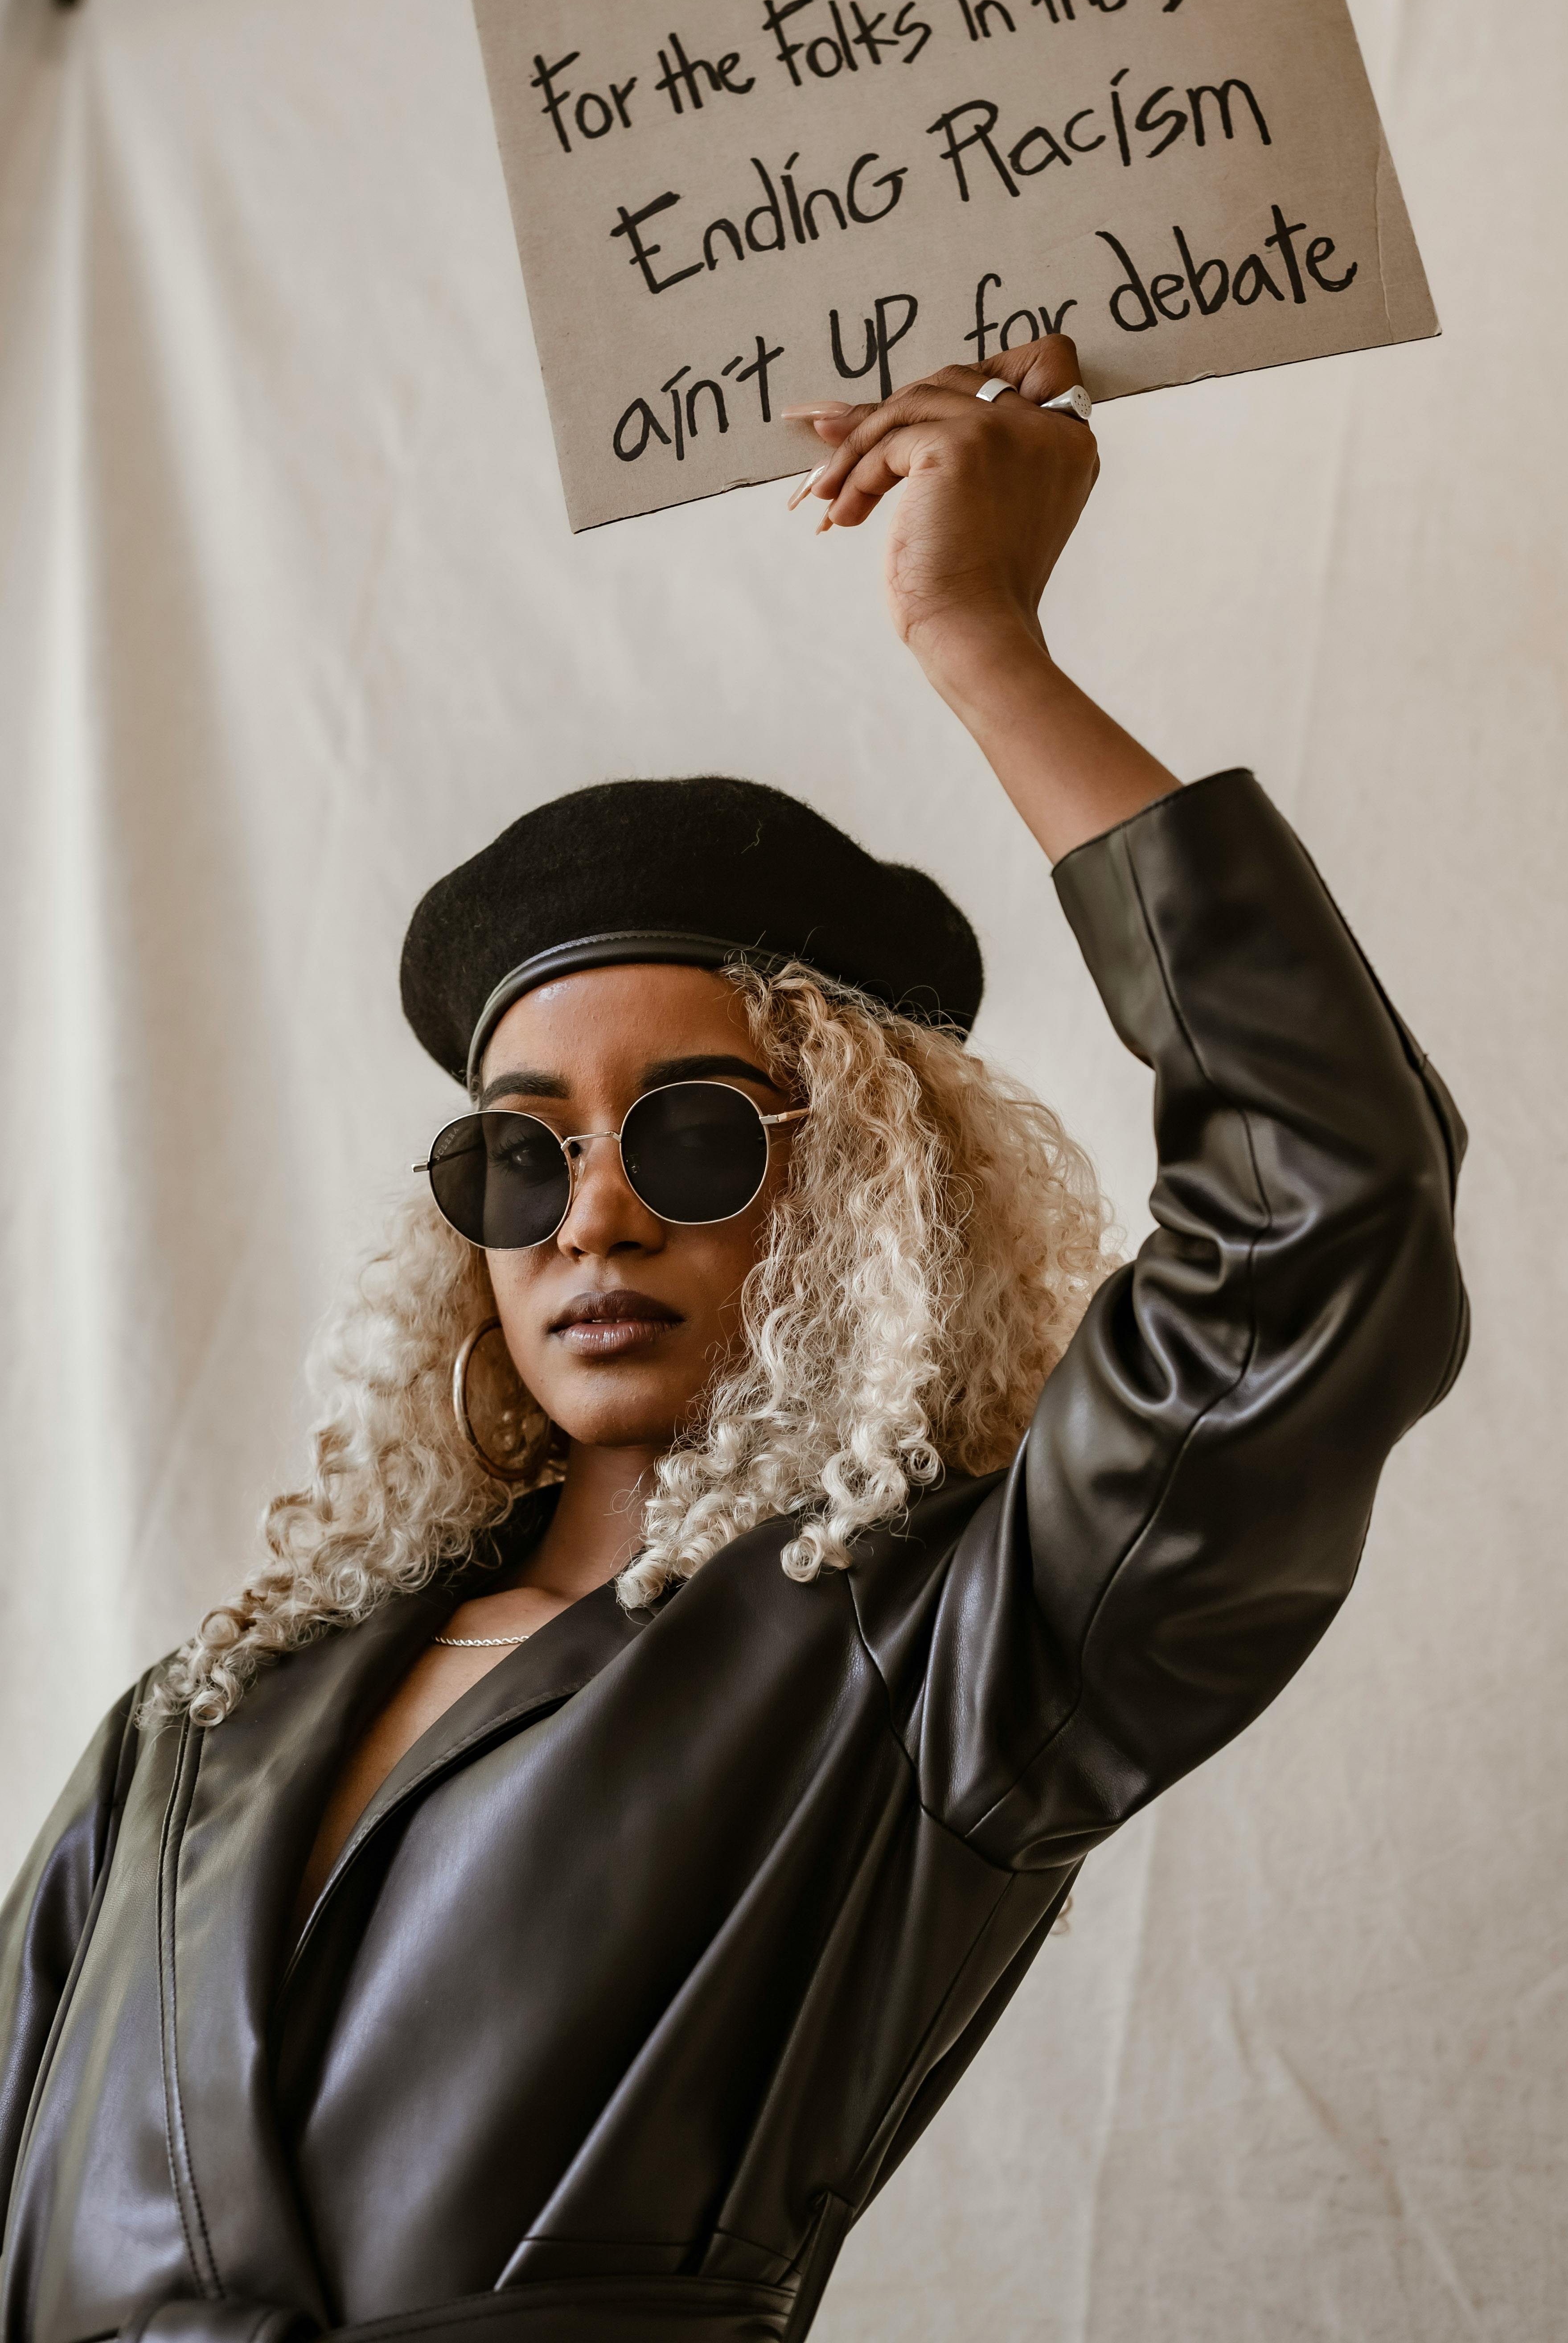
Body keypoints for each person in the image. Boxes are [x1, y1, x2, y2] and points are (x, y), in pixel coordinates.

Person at [0, 339, 1468, 2343]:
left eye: (690, 1137)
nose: (592, 1210)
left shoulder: (954, 1646)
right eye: (525, 1156)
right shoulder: (203, 1722)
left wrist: (980, 642)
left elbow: (1328, 1201)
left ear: (861, 1190)